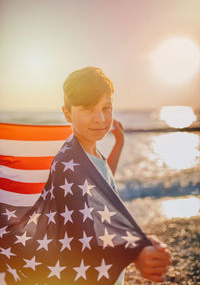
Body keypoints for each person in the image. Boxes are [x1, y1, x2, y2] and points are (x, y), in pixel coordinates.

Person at [0, 66, 171, 285]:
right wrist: (136, 250)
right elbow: (83, 235)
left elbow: (101, 185)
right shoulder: (67, 164)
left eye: (106, 107)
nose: (100, 118)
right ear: (67, 113)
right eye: (89, 108)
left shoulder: (89, 152)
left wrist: (118, 146)